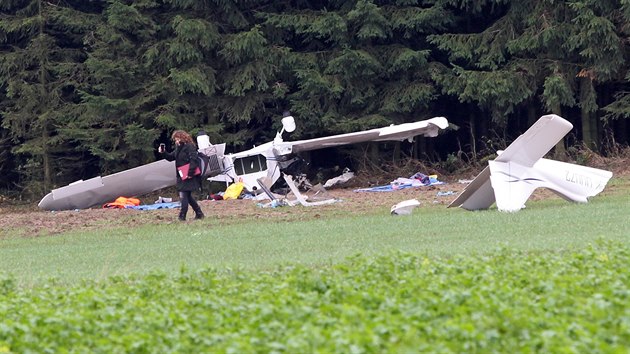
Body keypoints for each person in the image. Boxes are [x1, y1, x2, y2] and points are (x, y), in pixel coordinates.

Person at [159, 130, 205, 221]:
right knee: (188, 196)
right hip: (181, 175)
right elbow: (171, 157)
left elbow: (194, 160)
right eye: (175, 140)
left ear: (182, 138)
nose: (176, 141)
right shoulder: (179, 147)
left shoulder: (190, 147)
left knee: (183, 195)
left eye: (177, 139)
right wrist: (163, 152)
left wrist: (190, 173)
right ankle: (199, 213)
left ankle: (182, 216)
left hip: (189, 175)